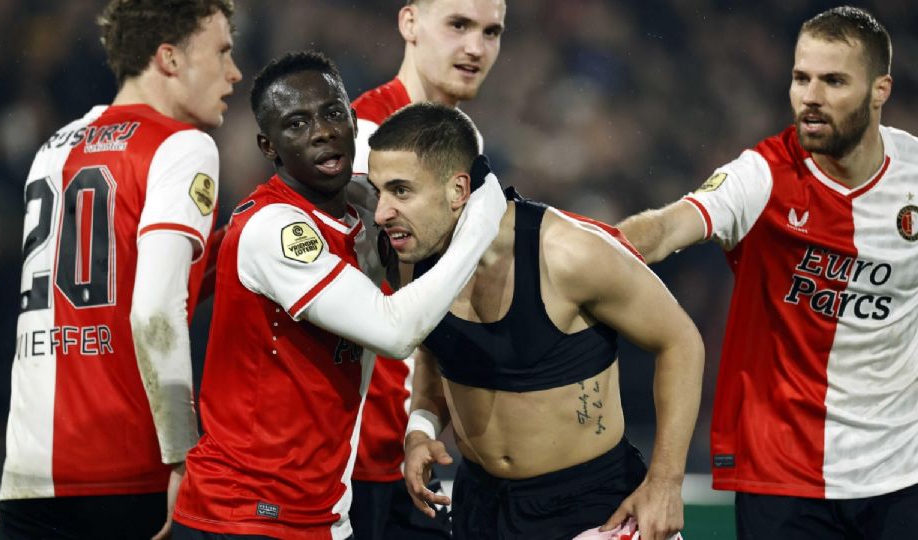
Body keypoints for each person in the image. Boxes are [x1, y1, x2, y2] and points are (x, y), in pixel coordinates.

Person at [171, 51, 505, 540]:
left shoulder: (365, 210)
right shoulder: (275, 229)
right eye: (297, 124)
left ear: (353, 121)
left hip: (322, 511)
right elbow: (394, 331)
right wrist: (482, 216)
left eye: (332, 114)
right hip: (245, 515)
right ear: (269, 146)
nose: (322, 131)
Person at [616, 6, 918, 539]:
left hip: (902, 475)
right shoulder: (761, 175)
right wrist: (563, 247)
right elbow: (662, 231)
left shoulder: (915, 175)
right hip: (784, 480)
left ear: (880, 90)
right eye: (801, 78)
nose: (811, 97)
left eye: (833, 81)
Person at [366, 102, 703, 540]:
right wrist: (421, 428)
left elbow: (681, 341)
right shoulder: (410, 258)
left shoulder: (568, 253)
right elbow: (435, 351)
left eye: (401, 191)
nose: (382, 213)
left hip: (594, 511)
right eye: (379, 193)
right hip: (480, 508)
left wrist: (665, 482)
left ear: (457, 189)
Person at [0, 1, 242, 539]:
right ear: (170, 58)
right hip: (127, 472)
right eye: (222, 51)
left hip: (27, 475)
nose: (234, 73)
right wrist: (183, 456)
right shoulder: (183, 146)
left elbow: (101, 294)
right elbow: (154, 311)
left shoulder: (52, 149)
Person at [347, 2, 505, 537]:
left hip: (417, 440)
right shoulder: (363, 137)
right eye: (458, 25)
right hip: (358, 452)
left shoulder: (464, 144)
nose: (476, 48)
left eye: (491, 31)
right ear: (409, 23)